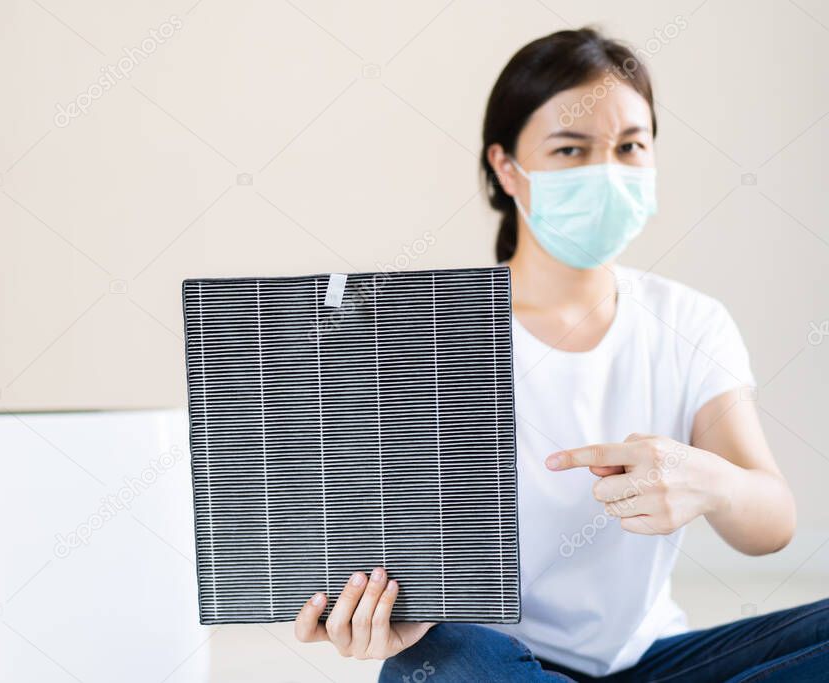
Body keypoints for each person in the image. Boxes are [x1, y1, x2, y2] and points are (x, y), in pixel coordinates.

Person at [292, 27, 828, 681]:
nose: (606, 171)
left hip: (656, 659)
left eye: (630, 146)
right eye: (571, 149)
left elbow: (770, 523)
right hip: (501, 659)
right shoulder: (427, 334)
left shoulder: (690, 321)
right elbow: (350, 530)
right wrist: (376, 612)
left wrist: (706, 480)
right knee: (442, 661)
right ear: (506, 166)